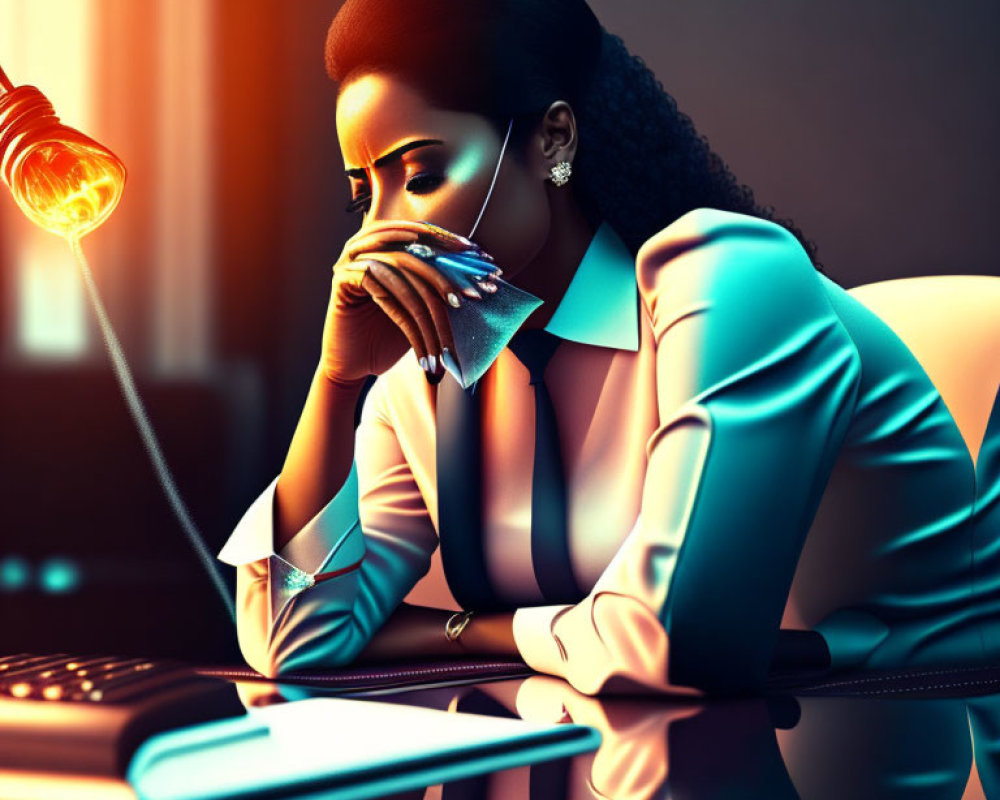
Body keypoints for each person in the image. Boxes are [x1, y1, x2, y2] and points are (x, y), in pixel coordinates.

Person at [216, 0, 1000, 696]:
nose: (378, 234)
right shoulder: (434, 363)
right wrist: (338, 378)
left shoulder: (730, 282)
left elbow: (674, 640)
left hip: (902, 737)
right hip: (627, 749)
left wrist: (460, 631)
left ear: (553, 139)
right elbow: (295, 641)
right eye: (364, 193)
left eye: (419, 175)